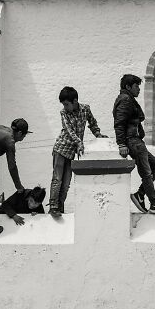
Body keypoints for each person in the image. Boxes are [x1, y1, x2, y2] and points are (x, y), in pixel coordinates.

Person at [113, 74, 155, 214]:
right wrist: (121, 144)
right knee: (146, 173)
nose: (139, 89)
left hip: (136, 141)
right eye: (136, 86)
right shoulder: (125, 100)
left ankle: (140, 195)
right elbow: (119, 123)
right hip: (132, 141)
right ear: (128, 87)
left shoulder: (128, 99)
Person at [50, 86, 108, 217]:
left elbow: (92, 123)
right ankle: (53, 206)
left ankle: (60, 207)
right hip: (61, 148)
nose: (65, 107)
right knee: (57, 179)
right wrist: (79, 143)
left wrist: (98, 134)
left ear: (75, 101)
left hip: (72, 152)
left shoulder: (85, 109)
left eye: (66, 104)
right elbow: (69, 130)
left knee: (66, 184)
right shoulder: (63, 113)